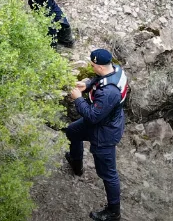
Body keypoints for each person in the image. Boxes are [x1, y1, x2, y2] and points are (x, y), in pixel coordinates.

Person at [67, 48, 128, 221]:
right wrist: (87, 85)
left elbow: (93, 116)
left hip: (105, 132)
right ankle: (76, 162)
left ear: (100, 66)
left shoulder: (109, 92)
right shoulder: (115, 69)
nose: (92, 67)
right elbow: (100, 79)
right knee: (73, 131)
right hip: (104, 120)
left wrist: (78, 98)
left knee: (107, 173)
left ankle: (114, 211)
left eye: (93, 65)